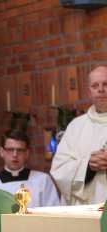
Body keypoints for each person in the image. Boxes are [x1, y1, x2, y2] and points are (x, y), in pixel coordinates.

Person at [51, 65, 107, 205]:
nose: (101, 89)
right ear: (89, 92)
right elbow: (59, 169)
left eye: (106, 84)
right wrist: (88, 166)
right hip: (87, 212)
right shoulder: (76, 127)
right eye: (95, 86)